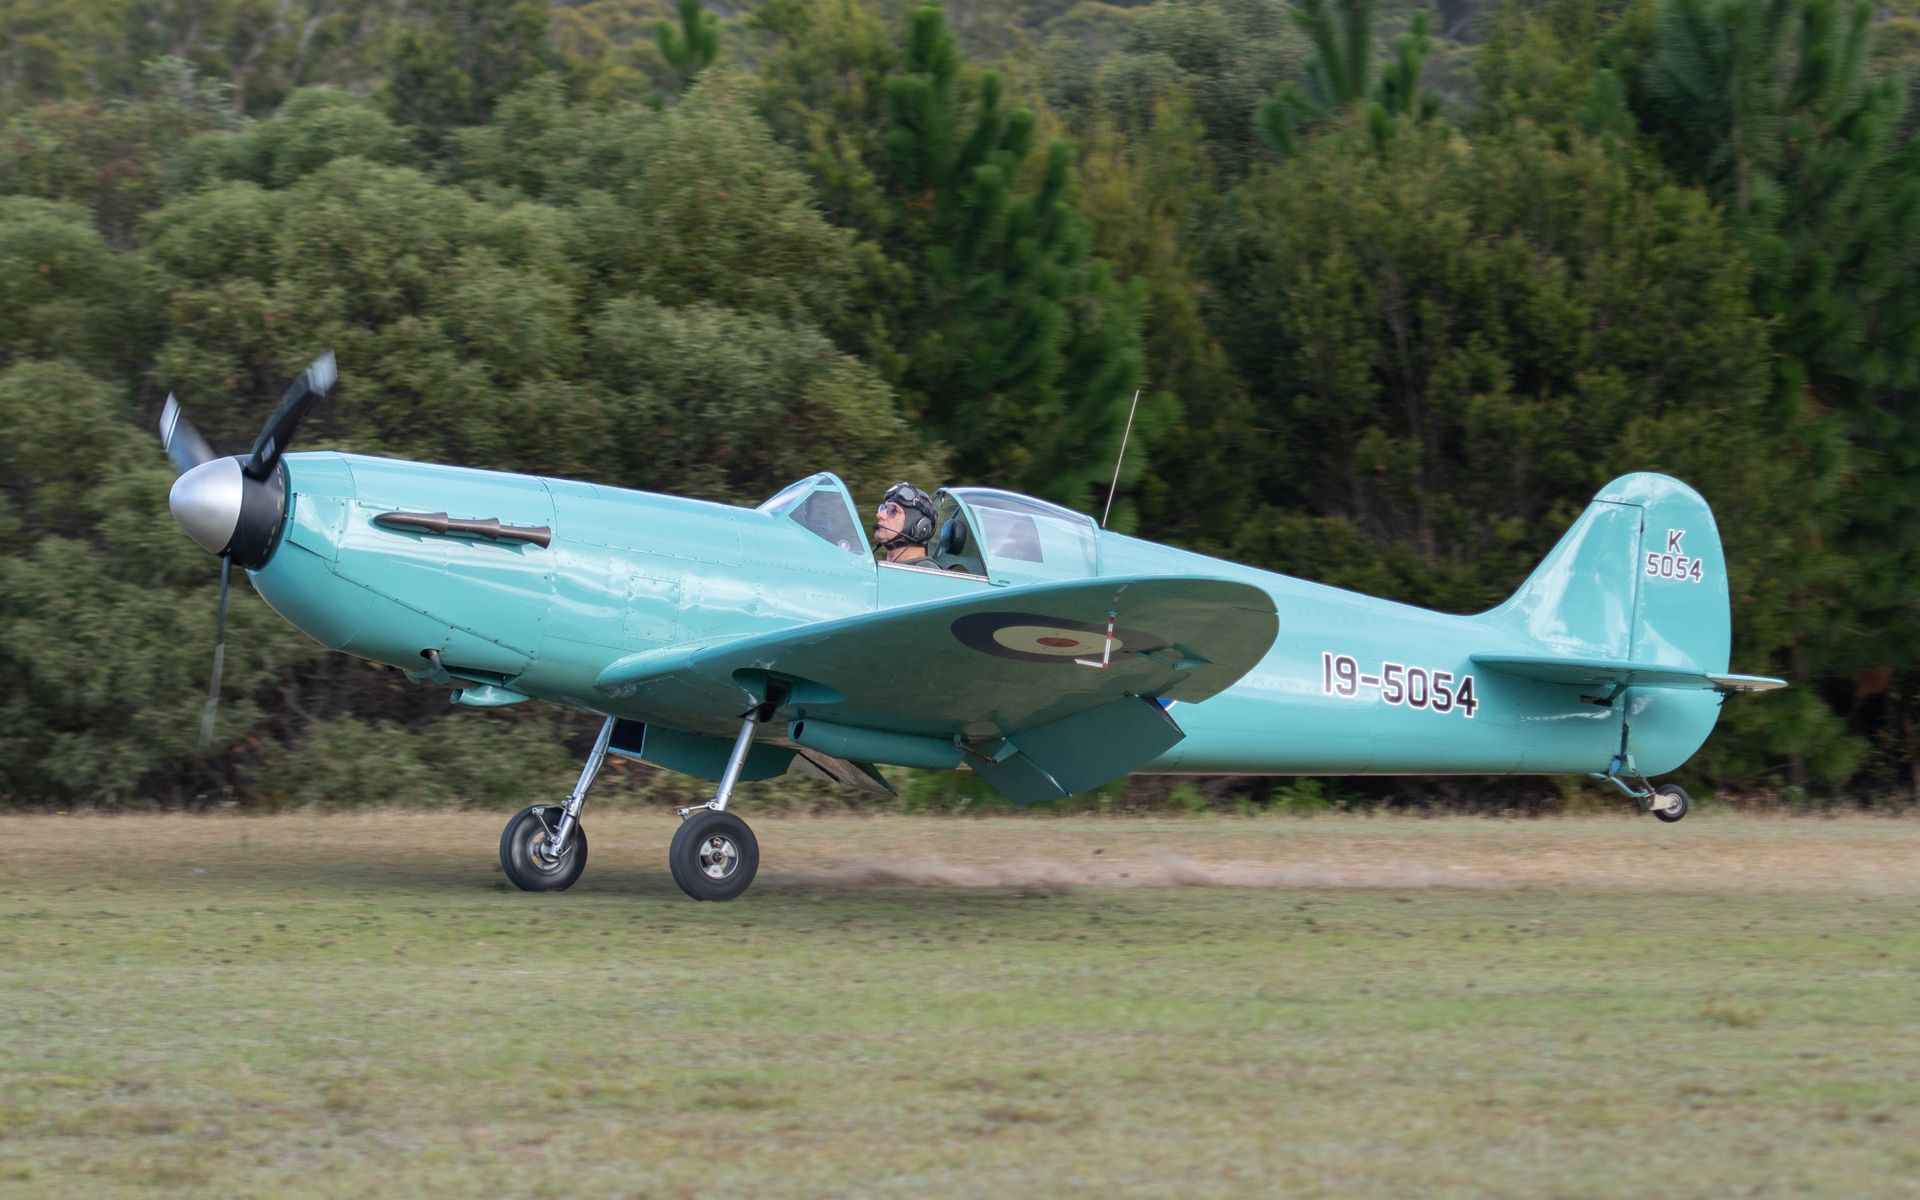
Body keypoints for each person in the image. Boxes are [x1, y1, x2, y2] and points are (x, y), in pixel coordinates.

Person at [873, 482, 941, 567]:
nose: (879, 515)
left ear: (920, 526)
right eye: (883, 508)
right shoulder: (879, 566)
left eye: (892, 510)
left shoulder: (927, 571)